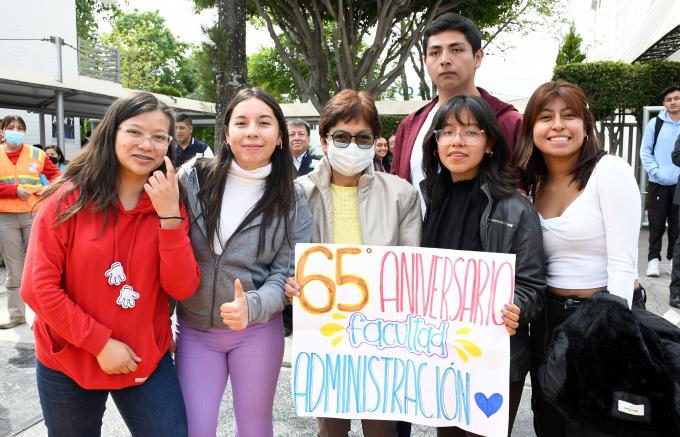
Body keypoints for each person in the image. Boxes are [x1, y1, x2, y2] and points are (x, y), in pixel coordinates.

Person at [20, 92, 200, 435]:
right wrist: (99, 343)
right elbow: (38, 288)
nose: (147, 145)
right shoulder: (67, 198)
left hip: (146, 355)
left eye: (159, 137)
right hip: (68, 357)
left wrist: (169, 218)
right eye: (134, 131)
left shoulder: (171, 201)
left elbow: (182, 287)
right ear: (111, 132)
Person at [175, 87, 312, 437]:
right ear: (226, 132)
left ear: (280, 136)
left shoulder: (292, 197)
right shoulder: (193, 178)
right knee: (196, 428)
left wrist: (252, 305)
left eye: (264, 123)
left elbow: (289, 272)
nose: (252, 131)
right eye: (242, 122)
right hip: (195, 331)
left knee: (253, 428)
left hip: (257, 332)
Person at [285, 89, 422, 437]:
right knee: (331, 432)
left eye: (363, 138)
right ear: (324, 137)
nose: (352, 146)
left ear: (376, 141)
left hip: (382, 335)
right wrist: (287, 283)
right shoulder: (298, 193)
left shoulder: (401, 194)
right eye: (342, 137)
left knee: (382, 431)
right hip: (323, 335)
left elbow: (412, 271)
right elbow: (285, 259)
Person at [514, 80, 643, 437]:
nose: (557, 125)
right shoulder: (530, 183)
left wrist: (612, 334)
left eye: (569, 116)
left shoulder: (610, 172)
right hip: (546, 320)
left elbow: (622, 264)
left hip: (601, 313)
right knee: (550, 418)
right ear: (531, 129)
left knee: (595, 424)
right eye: (546, 117)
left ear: (585, 126)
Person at [420, 95, 545, 437]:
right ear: (435, 144)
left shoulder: (516, 209)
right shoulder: (429, 199)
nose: (456, 141)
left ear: (490, 144)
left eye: (470, 132)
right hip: (441, 354)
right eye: (446, 132)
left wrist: (516, 307)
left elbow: (532, 286)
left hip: (495, 358)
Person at [390, 12, 522, 212]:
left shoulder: (508, 122)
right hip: (419, 240)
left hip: (487, 241)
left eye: (456, 50)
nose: (445, 60)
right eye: (435, 52)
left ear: (477, 57)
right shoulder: (409, 126)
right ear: (425, 60)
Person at [0, 115, 61, 329]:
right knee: (14, 267)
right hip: (5, 216)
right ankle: (16, 315)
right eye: (10, 127)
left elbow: (57, 176)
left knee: (37, 266)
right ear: (2, 131)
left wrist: (49, 188)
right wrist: (12, 190)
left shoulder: (37, 154)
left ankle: (43, 318)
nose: (15, 130)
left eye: (19, 127)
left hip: (34, 214)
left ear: (25, 132)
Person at [640, 84, 680, 278]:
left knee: (677, 226)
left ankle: (673, 261)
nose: (673, 102)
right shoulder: (655, 124)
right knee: (656, 224)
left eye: (677, 98)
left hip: (679, 185)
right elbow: (645, 151)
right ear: (664, 103)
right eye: (669, 99)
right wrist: (655, 172)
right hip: (658, 183)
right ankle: (653, 261)